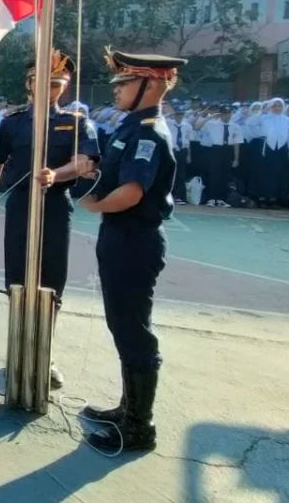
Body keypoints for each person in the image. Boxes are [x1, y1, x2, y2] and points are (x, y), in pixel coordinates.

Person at [78, 49, 187, 453]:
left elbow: (131, 193)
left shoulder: (148, 133)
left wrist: (94, 204)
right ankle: (129, 409)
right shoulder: (129, 126)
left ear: (152, 85)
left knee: (133, 331)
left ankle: (140, 427)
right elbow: (112, 174)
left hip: (134, 239)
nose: (118, 90)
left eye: (125, 83)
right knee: (122, 326)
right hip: (120, 237)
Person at [0, 51, 99, 390]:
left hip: (55, 207)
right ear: (29, 84)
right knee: (17, 278)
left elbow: (84, 161)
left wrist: (55, 175)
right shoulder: (12, 122)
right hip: (19, 206)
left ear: (65, 86)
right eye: (42, 82)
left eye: (57, 83)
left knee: (52, 281)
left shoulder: (76, 123)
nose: (49, 88)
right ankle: (17, 350)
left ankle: (46, 354)